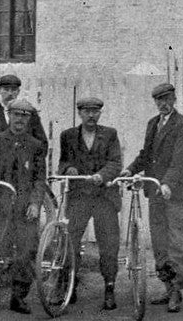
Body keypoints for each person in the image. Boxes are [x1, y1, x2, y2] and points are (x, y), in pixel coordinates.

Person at [121, 83, 183, 313]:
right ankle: (167, 285)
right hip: (156, 192)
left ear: (174, 98)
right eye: (158, 100)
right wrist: (130, 170)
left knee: (176, 243)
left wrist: (168, 183)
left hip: (176, 193)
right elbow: (147, 155)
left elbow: (181, 160)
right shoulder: (153, 124)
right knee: (160, 243)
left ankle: (176, 291)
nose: (163, 103)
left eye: (166, 99)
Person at [0, 99, 46, 316]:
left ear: (29, 119)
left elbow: (39, 178)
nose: (20, 120)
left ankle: (18, 297)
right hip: (0, 204)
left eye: (24, 116)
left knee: (26, 252)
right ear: (10, 116)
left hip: (25, 207)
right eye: (16, 115)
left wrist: (35, 203)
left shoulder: (36, 146)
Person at [58, 96, 123, 310]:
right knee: (71, 241)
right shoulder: (67, 136)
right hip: (79, 197)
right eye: (87, 111)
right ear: (80, 113)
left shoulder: (110, 134)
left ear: (100, 113)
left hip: (105, 196)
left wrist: (101, 175)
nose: (91, 115)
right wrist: (69, 169)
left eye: (95, 111)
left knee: (108, 244)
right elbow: (63, 161)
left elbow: (115, 163)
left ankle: (109, 288)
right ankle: (70, 286)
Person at [0, 73, 48, 154]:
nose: (10, 93)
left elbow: (42, 144)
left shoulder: (30, 113)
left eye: (13, 90)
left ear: (18, 92)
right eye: (6, 89)